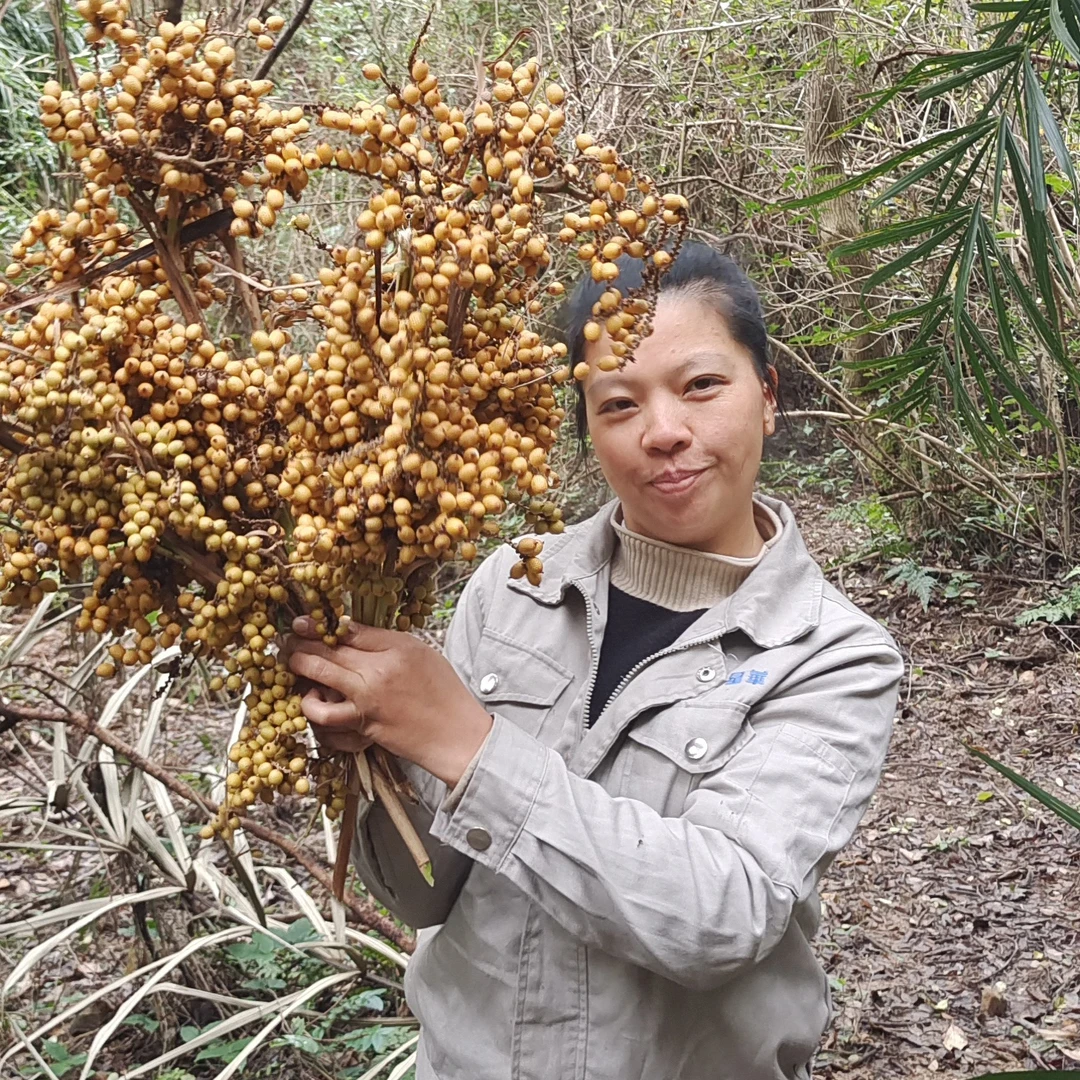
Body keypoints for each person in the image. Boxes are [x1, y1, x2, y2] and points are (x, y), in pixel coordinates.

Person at [287, 241, 904, 1080]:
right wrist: (379, 755)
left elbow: (724, 913)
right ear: (587, 430)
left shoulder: (832, 654)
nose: (664, 432)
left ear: (767, 398)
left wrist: (468, 747)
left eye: (701, 386)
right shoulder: (509, 588)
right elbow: (422, 896)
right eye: (617, 404)